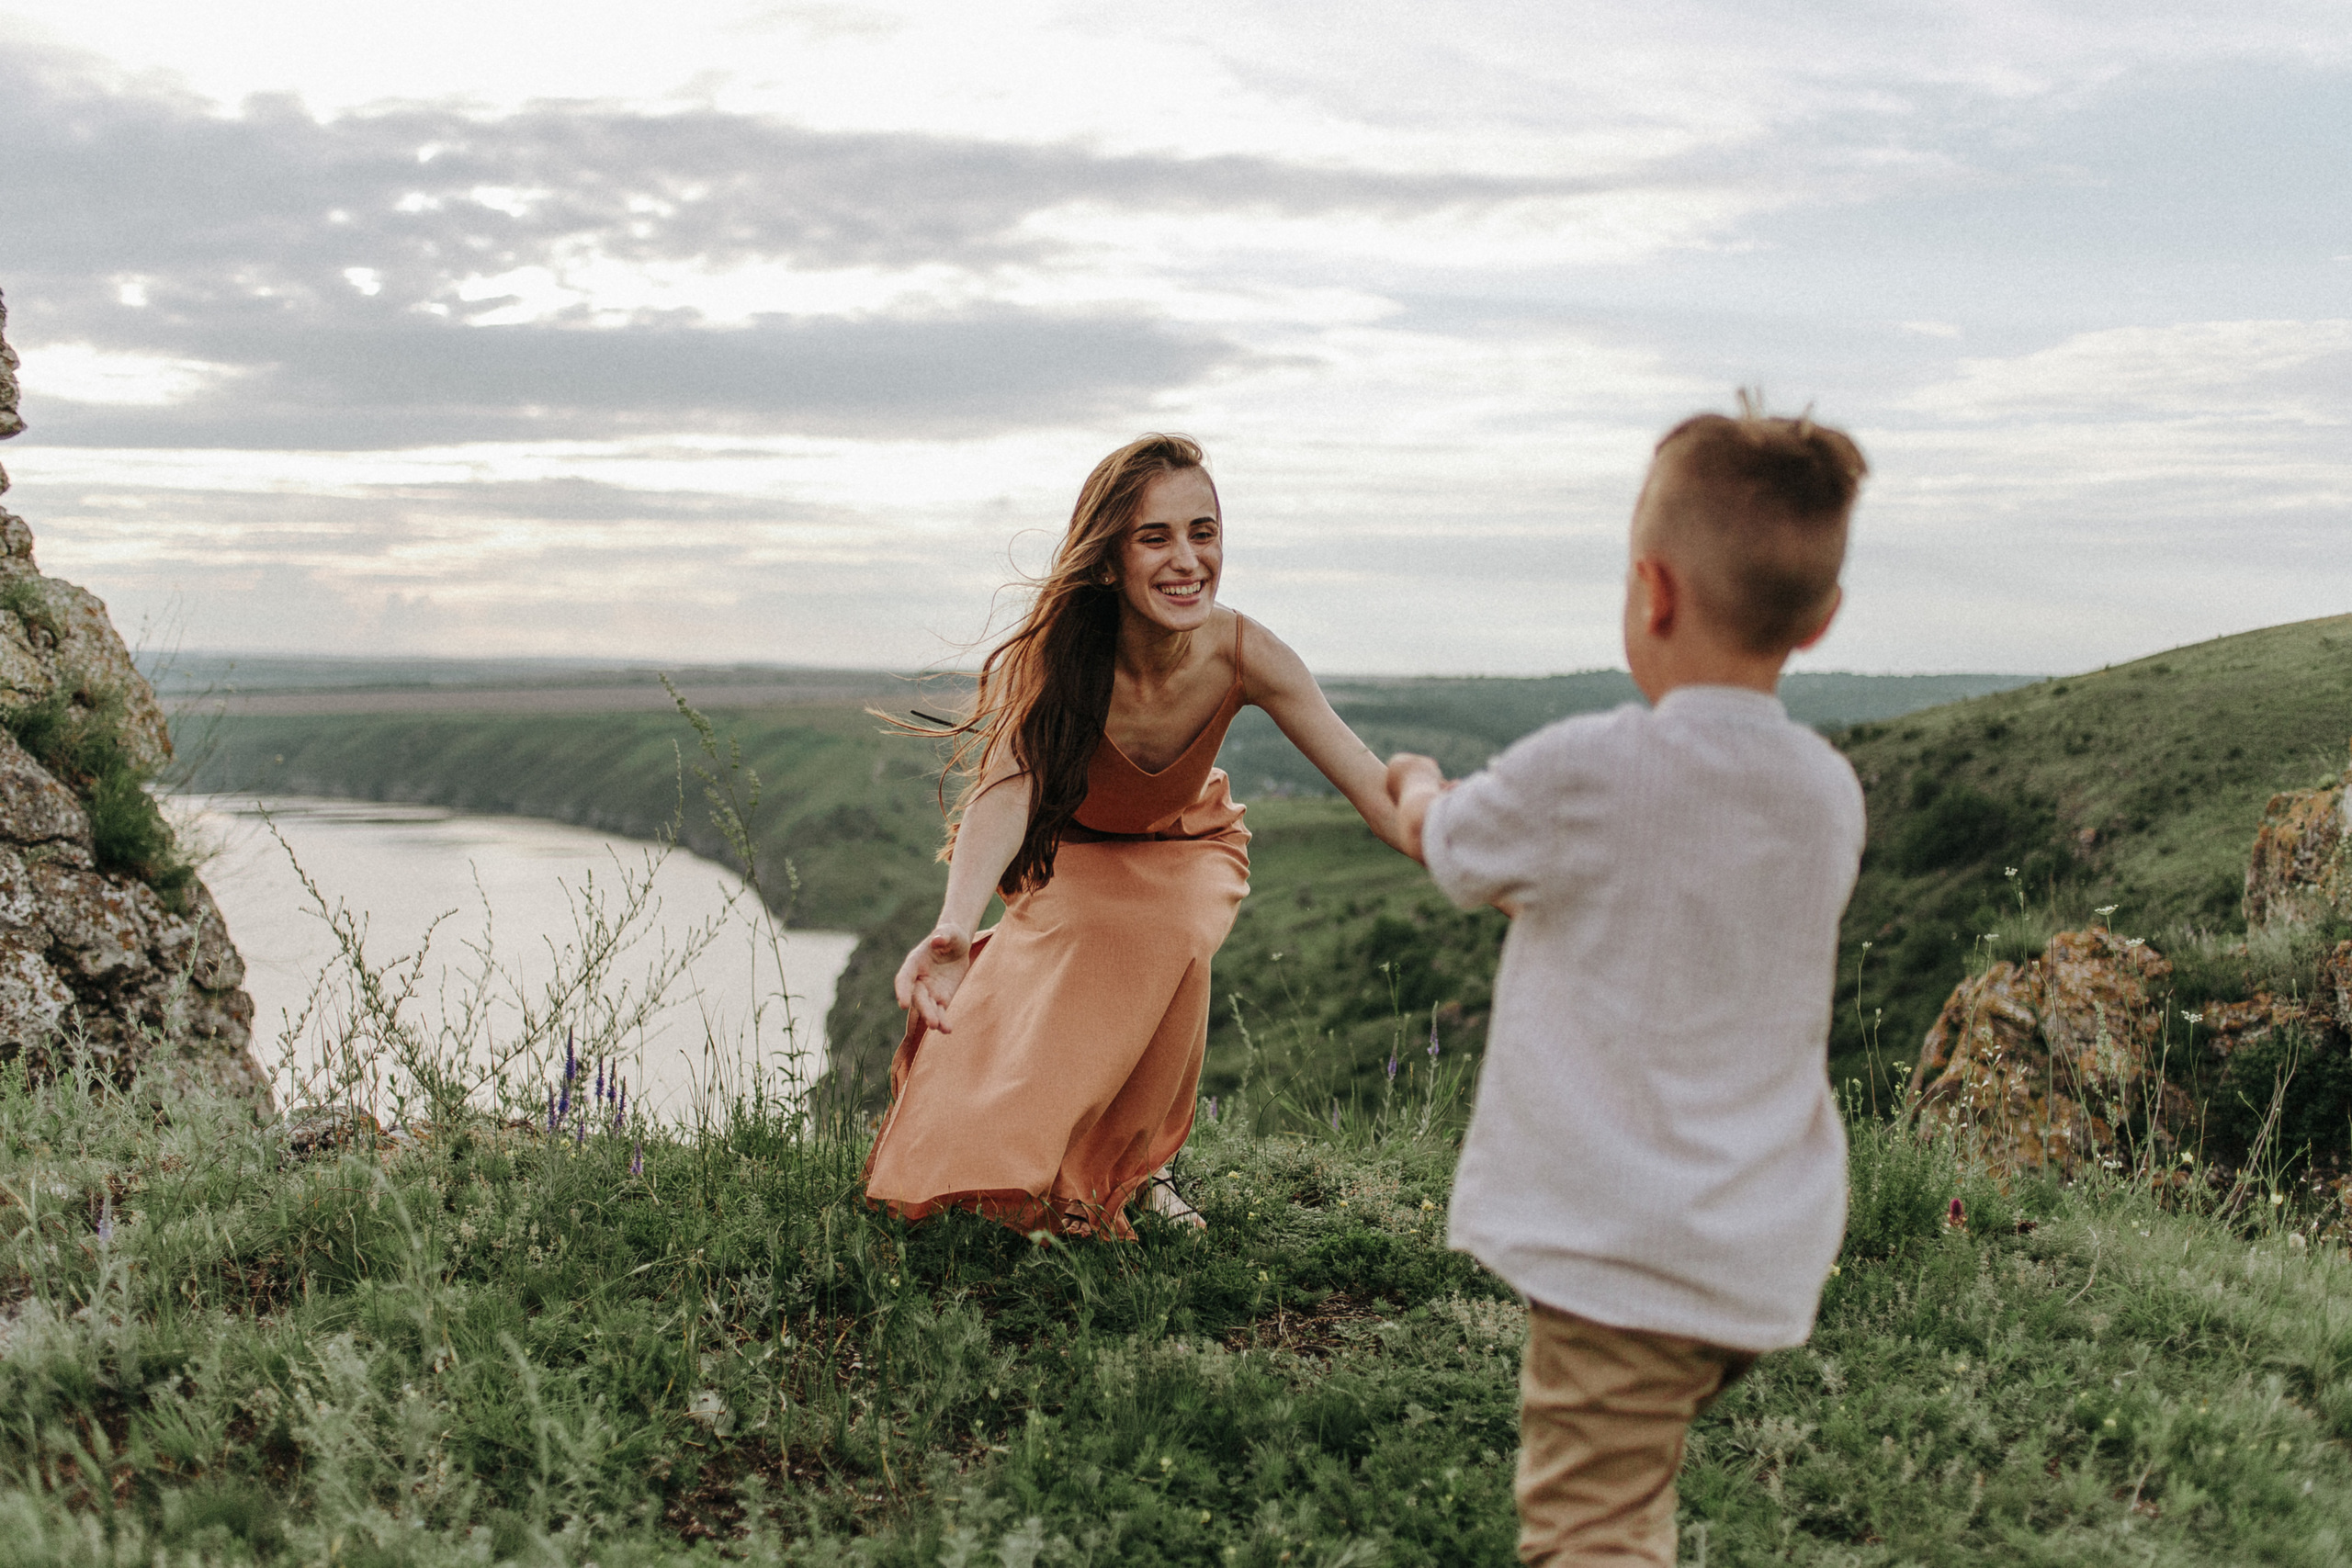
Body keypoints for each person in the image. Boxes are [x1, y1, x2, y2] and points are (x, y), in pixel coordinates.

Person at [1385, 402, 1868, 1565]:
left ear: (1650, 591)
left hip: (1623, 1250)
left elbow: (1449, 844)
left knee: (1588, 1535)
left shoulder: (1585, 767)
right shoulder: (1824, 790)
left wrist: (1412, 781)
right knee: (1632, 1499)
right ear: (1822, 620)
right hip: (1754, 1242)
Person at [864, 433, 1409, 1238]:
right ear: (1110, 559)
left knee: (1174, 929)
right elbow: (1007, 786)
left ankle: (1140, 1172)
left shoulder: (1247, 651)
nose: (1187, 559)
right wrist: (953, 925)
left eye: (1204, 532)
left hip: (1189, 843)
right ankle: (1060, 1152)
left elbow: (1370, 784)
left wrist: (1474, 842)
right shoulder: (1056, 657)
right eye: (1155, 537)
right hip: (1075, 848)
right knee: (1019, 1089)